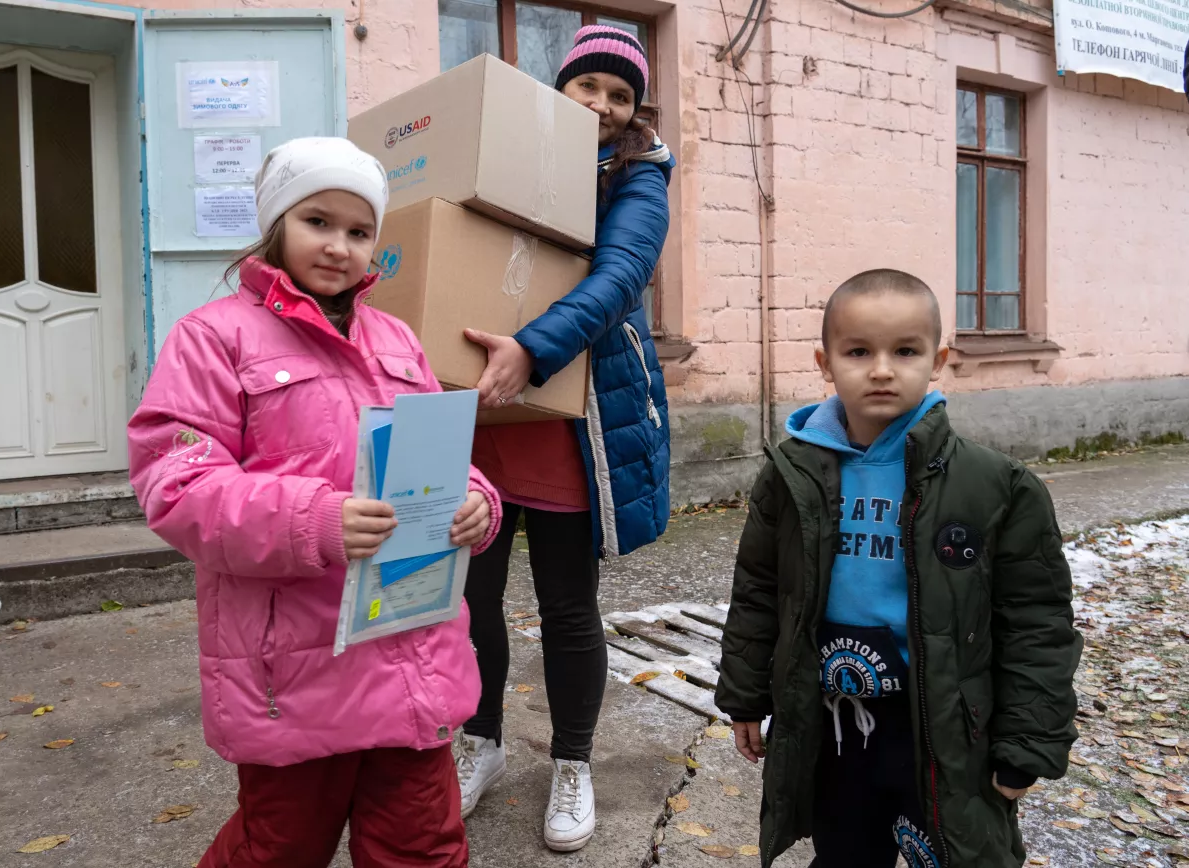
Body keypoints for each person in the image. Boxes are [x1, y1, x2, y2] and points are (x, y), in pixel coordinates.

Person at [127, 137, 503, 868]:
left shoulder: (396, 338)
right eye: (317, 221)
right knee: (278, 849)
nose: (338, 246)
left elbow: (438, 453)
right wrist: (315, 520)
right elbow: (177, 485)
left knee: (422, 847)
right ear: (276, 224)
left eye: (359, 231)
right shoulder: (214, 337)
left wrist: (476, 503)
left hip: (411, 653)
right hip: (296, 668)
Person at [715, 270, 1083, 868]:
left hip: (942, 728)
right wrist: (746, 697)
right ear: (825, 363)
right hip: (833, 727)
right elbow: (759, 592)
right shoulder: (791, 477)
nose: (882, 370)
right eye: (859, 352)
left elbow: (1036, 620)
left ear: (937, 360)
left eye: (905, 351)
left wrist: (1027, 742)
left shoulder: (995, 486)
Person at [455, 25, 675, 852]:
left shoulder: (640, 177)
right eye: (589, 86)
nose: (604, 105)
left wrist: (532, 350)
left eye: (621, 95)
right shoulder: (509, 151)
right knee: (469, 601)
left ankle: (572, 762)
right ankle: (479, 742)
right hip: (478, 410)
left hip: (566, 420)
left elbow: (620, 277)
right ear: (560, 89)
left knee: (567, 608)